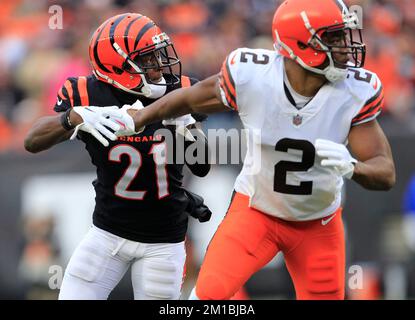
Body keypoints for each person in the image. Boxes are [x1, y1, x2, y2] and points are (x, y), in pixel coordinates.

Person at [112, 0, 396, 300]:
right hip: (256, 213)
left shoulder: (354, 91)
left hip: (319, 224)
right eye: (334, 38)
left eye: (344, 36)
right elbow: (190, 98)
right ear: (300, 44)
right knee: (207, 296)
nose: (344, 47)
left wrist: (354, 167)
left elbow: (385, 171)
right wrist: (141, 117)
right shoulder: (254, 77)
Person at [24, 13, 211, 300]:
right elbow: (32, 142)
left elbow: (201, 166)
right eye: (148, 59)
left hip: (164, 242)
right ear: (119, 66)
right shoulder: (86, 94)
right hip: (107, 234)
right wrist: (73, 117)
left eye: (159, 55)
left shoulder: (180, 89)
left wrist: (189, 128)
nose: (160, 66)